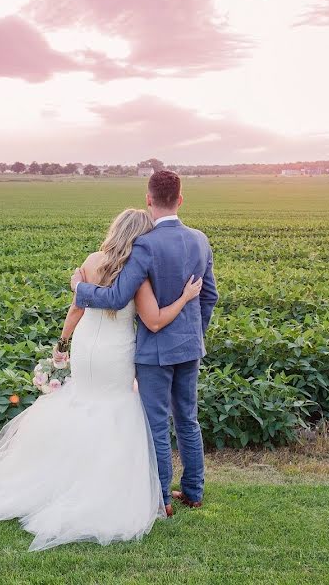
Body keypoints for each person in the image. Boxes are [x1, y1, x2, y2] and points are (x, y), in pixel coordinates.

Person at [0, 208, 203, 551]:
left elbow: (76, 308)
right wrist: (186, 297)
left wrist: (62, 344)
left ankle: (63, 479)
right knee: (115, 408)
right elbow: (154, 319)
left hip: (87, 345)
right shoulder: (137, 271)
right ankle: (110, 486)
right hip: (115, 350)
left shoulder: (90, 261)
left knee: (82, 402)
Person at [72, 170, 219, 513]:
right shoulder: (200, 239)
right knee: (187, 418)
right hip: (189, 346)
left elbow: (118, 295)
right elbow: (209, 296)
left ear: (148, 199)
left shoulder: (145, 245)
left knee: (156, 424)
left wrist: (80, 289)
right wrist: (196, 333)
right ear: (180, 199)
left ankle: (162, 499)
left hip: (154, 352)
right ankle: (194, 491)